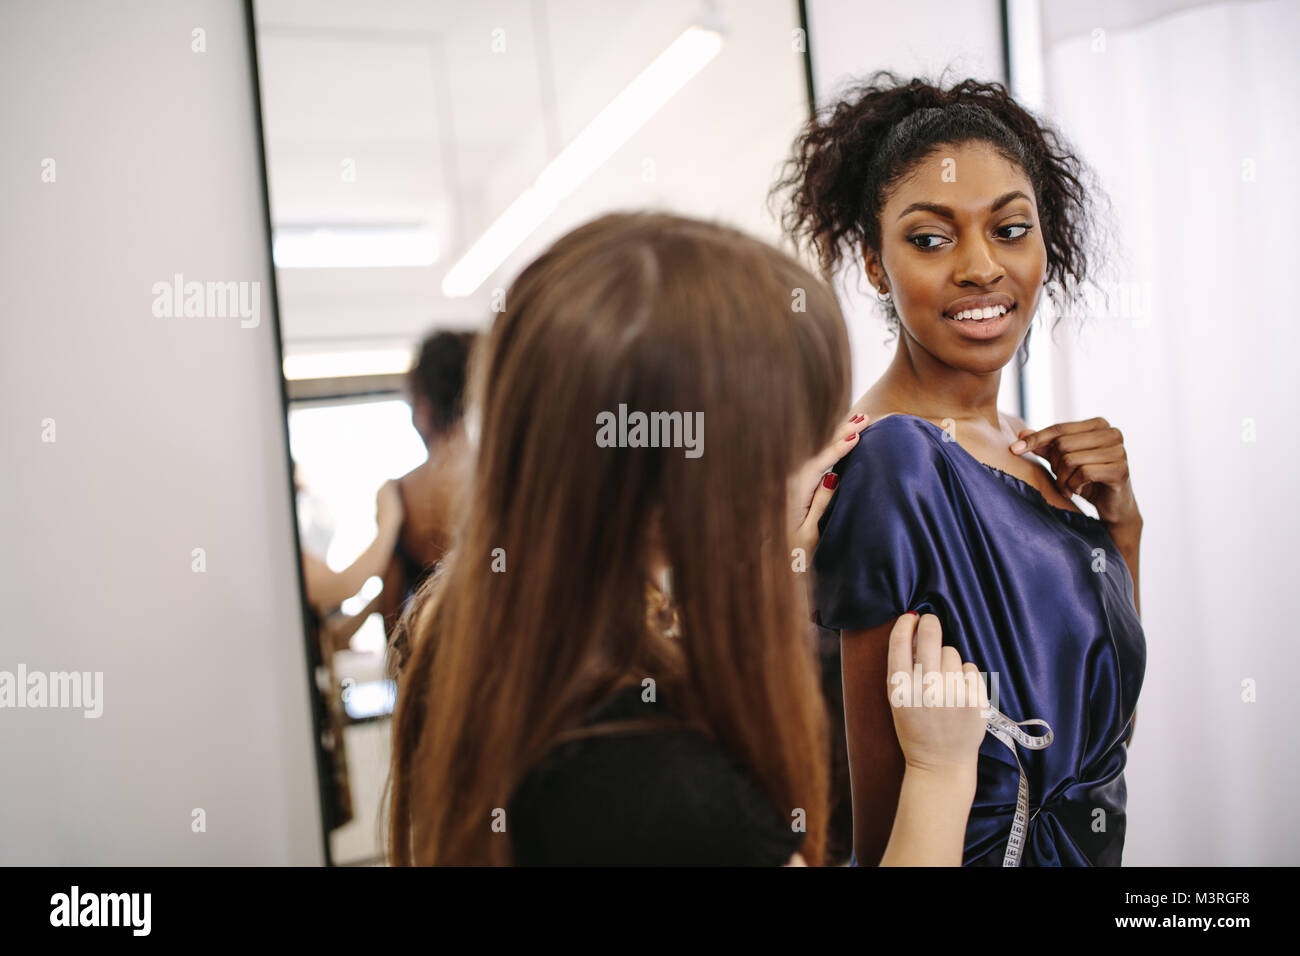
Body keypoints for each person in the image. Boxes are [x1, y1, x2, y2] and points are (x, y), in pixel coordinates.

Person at [384, 211, 989, 866]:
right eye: (790, 438)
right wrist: (941, 770)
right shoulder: (659, 791)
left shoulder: (474, 632)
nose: (814, 458)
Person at [776, 72, 1146, 865]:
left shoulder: (1035, 454)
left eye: (1010, 229)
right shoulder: (891, 465)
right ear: (876, 266)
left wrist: (1123, 529)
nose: (981, 267)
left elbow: (1102, 744)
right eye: (931, 239)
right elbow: (876, 838)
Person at [379, 331, 475, 673]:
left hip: (431, 675)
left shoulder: (398, 493)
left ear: (423, 406)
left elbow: (390, 617)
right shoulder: (502, 480)